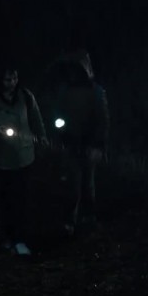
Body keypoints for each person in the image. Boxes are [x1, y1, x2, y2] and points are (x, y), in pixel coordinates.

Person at [0, 67, 48, 256]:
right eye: (8, 79)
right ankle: (8, 237)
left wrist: (41, 137)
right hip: (2, 158)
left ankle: (20, 239)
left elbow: (36, 118)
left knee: (22, 199)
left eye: (14, 78)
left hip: (24, 156)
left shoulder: (26, 96)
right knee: (6, 200)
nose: (12, 83)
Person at [47, 49, 110, 236]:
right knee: (72, 183)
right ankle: (70, 221)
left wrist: (98, 144)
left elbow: (102, 119)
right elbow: (58, 114)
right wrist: (61, 133)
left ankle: (88, 218)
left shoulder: (96, 91)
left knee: (87, 183)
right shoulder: (65, 90)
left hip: (89, 144)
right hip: (71, 143)